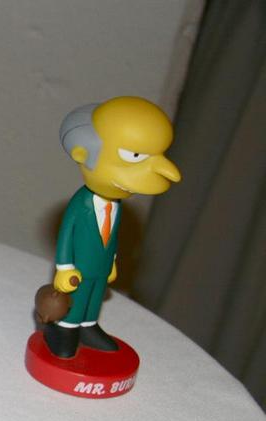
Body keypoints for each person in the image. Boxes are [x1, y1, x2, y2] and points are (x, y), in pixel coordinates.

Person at [44, 96, 181, 358]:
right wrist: (64, 267)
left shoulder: (116, 205)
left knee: (95, 298)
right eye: (135, 155)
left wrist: (113, 260)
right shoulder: (80, 204)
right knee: (77, 300)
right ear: (84, 154)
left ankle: (88, 325)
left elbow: (112, 235)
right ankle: (65, 328)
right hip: (78, 270)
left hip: (102, 265)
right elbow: (66, 236)